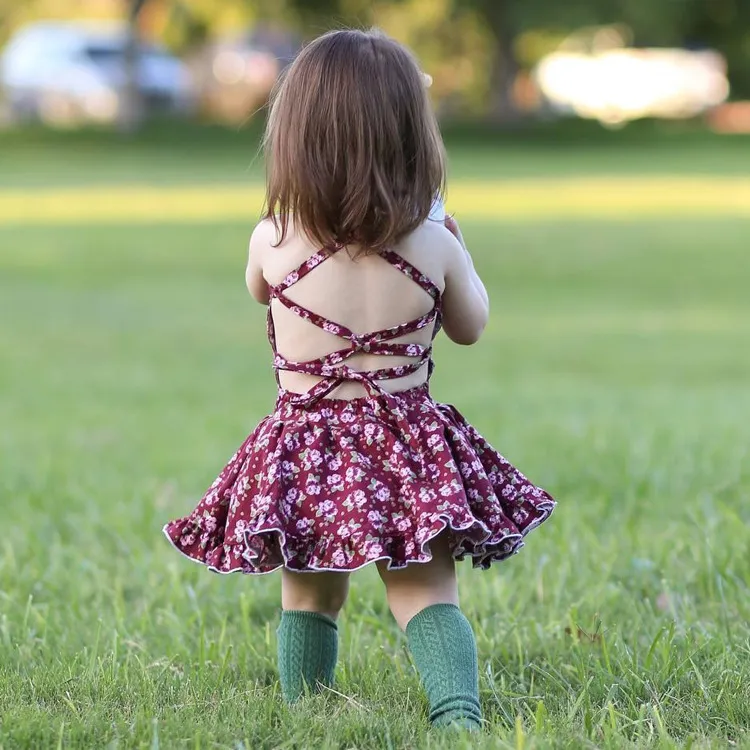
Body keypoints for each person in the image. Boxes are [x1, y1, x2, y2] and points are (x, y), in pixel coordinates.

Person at [163, 28, 555, 731]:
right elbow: (471, 326)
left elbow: (259, 292)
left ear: (295, 137)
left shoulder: (272, 239)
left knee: (309, 595)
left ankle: (306, 711)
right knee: (427, 591)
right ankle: (457, 714)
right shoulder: (434, 243)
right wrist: (454, 248)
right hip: (406, 445)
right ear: (412, 135)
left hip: (306, 446)